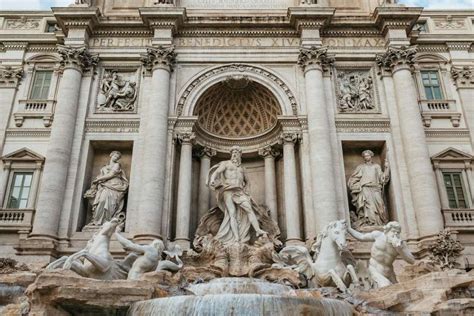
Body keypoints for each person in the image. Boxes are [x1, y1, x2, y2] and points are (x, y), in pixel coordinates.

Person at [207, 146, 267, 244]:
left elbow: (247, 182)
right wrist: (212, 179)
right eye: (233, 152)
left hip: (239, 191)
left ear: (240, 155)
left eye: (237, 153)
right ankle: (236, 238)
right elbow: (217, 172)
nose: (234, 154)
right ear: (231, 154)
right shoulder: (226, 164)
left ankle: (257, 230)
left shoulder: (242, 169)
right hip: (228, 190)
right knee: (232, 213)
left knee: (249, 209)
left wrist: (247, 191)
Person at [347, 221, 415, 288]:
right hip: (374, 269)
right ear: (387, 230)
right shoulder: (378, 235)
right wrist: (349, 229)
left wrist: (400, 249)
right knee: (386, 286)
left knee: (398, 289)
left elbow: (412, 260)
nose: (395, 234)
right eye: (393, 231)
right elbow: (361, 237)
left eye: (397, 232)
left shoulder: (401, 244)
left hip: (389, 272)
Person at [348, 150, 390, 228]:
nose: (366, 157)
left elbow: (382, 178)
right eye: (365, 156)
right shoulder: (361, 167)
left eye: (368, 155)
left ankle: (379, 222)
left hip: (376, 188)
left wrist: (387, 168)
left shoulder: (376, 166)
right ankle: (370, 223)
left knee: (380, 205)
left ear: (371, 156)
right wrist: (355, 185)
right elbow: (353, 178)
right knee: (368, 206)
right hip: (365, 188)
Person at [86, 151, 129, 226]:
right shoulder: (104, 167)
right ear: (111, 155)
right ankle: (97, 221)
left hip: (115, 185)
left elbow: (111, 174)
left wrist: (99, 179)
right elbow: (101, 176)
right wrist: (98, 181)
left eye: (117, 157)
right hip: (105, 186)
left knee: (111, 204)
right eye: (115, 156)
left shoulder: (117, 165)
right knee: (102, 200)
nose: (116, 158)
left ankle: (108, 221)